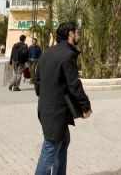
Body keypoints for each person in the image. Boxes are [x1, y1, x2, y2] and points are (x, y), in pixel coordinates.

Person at [34, 20, 92, 175]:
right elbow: (74, 85)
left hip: (46, 109)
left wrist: (47, 96)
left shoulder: (47, 53)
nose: (79, 35)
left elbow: (37, 81)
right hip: (56, 113)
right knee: (50, 149)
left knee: (63, 141)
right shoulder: (68, 55)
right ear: (71, 34)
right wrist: (85, 107)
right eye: (77, 32)